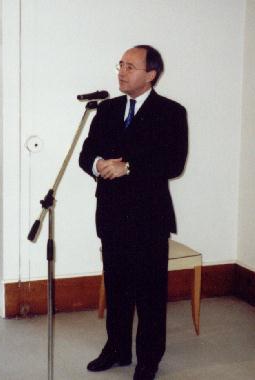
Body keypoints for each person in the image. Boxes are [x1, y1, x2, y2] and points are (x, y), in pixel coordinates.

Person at [79, 45, 188, 380]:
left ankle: (148, 359)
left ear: (150, 74)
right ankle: (117, 349)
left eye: (131, 66)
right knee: (117, 287)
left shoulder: (171, 112)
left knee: (150, 292)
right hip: (111, 215)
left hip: (149, 217)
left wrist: (129, 166)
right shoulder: (108, 109)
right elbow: (87, 153)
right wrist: (98, 164)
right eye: (121, 65)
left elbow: (173, 163)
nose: (122, 72)